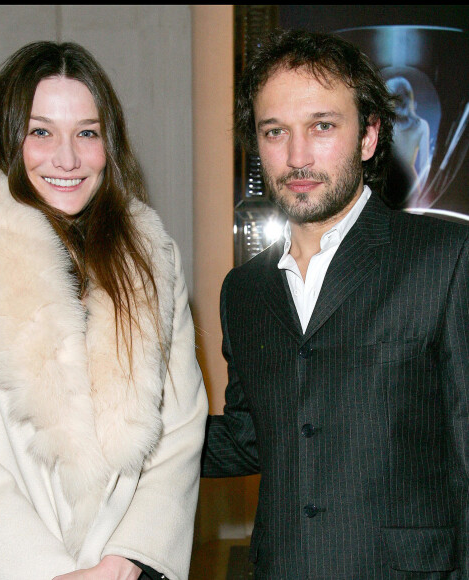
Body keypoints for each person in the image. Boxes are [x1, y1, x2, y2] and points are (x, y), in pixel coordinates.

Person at [0, 41, 208, 580]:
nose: (66, 158)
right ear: (7, 135)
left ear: (108, 145)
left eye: (86, 133)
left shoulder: (151, 254)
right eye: (40, 131)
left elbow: (180, 423)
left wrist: (126, 558)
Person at [201, 28, 468, 579]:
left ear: (369, 136)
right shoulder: (244, 291)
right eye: (275, 132)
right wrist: (121, 435)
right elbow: (251, 436)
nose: (297, 156)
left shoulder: (445, 258)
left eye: (322, 126)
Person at [385, 76, 431, 208]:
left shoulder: (386, 125)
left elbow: (424, 166)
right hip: (408, 184)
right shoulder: (422, 126)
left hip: (390, 184)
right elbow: (424, 167)